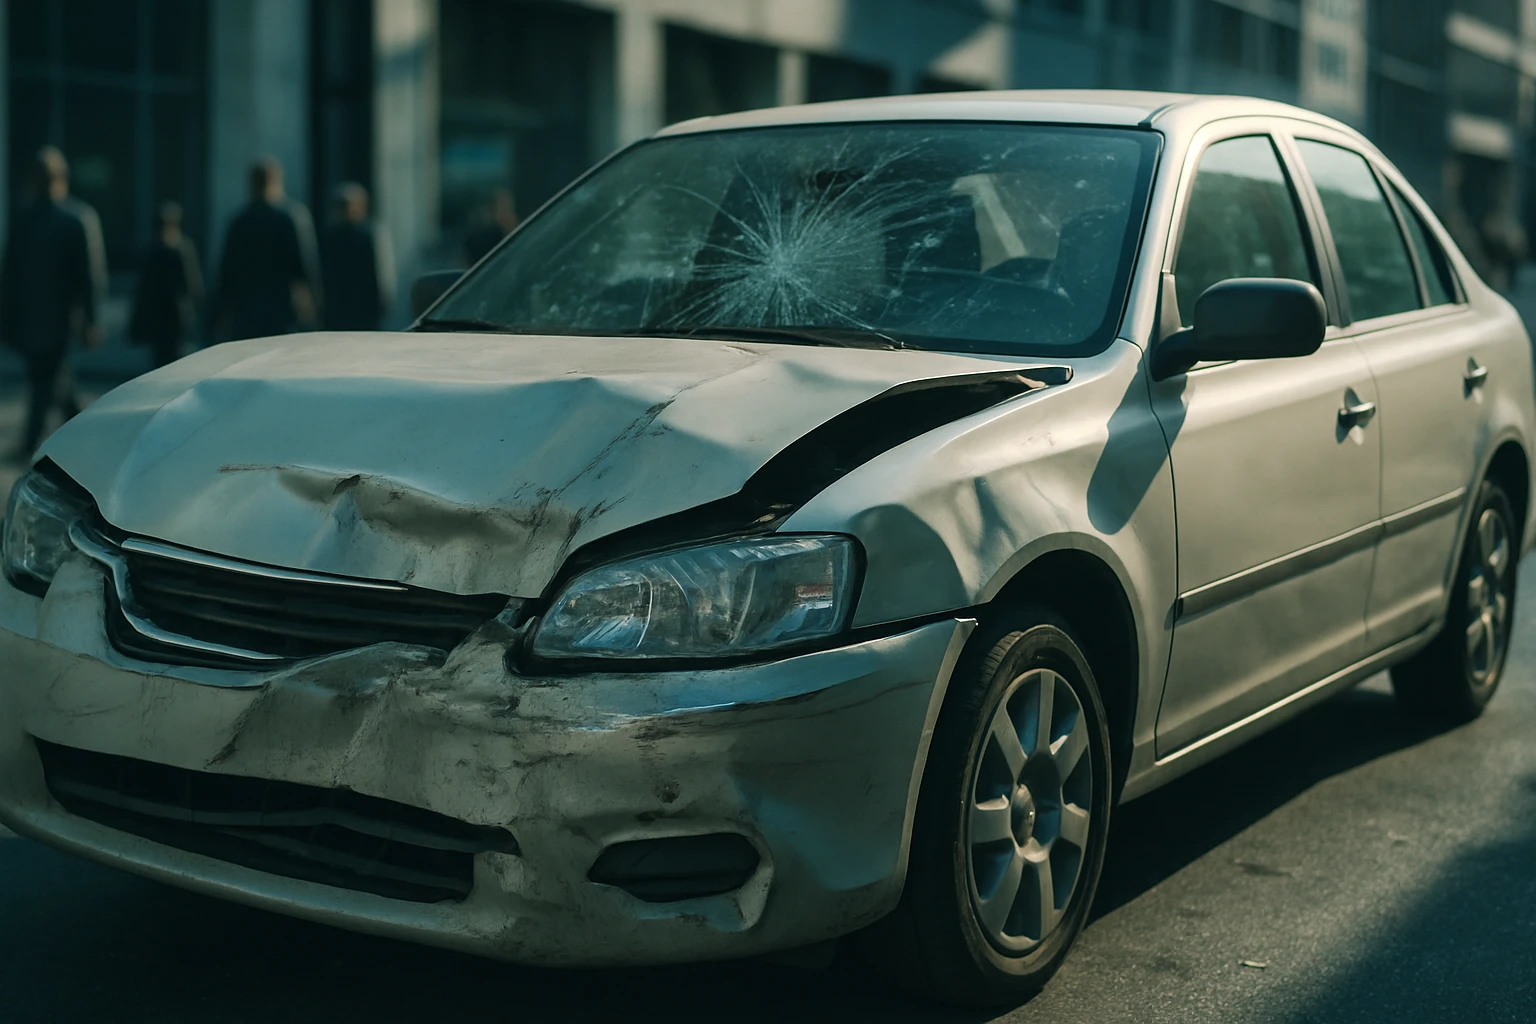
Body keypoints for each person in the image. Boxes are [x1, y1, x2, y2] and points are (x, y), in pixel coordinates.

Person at [0, 146, 107, 459]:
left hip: (40, 317)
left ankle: (41, 439)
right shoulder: (75, 217)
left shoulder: (31, 218)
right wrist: (90, 319)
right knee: (52, 380)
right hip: (56, 317)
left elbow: (10, 274)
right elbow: (90, 276)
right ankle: (83, 437)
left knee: (46, 379)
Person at [210, 157, 321, 341]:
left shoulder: (239, 221)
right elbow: (306, 267)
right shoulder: (292, 216)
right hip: (283, 309)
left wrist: (217, 317)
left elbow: (226, 274)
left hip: (246, 311)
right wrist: (314, 310)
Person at [128, 202, 203, 368]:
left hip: (174, 318)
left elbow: (192, 285)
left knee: (171, 362)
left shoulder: (178, 249)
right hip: (164, 319)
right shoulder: (159, 250)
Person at [319, 182, 394, 331]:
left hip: (364, 307)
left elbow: (381, 270)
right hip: (339, 308)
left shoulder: (370, 235)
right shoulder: (331, 236)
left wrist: (384, 299)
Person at [463, 187, 519, 266]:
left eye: (510, 209)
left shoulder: (518, 237)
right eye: (504, 208)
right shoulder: (485, 240)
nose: (510, 216)